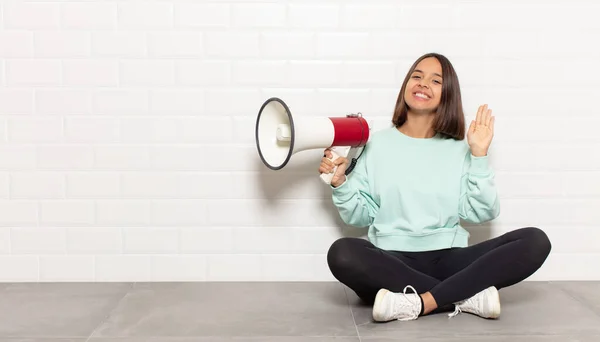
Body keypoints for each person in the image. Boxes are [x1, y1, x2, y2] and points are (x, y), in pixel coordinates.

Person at [319, 52, 551, 322]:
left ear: (448, 94)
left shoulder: (460, 149)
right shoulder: (374, 145)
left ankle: (418, 302)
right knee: (343, 253)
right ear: (406, 85)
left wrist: (478, 155)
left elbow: (482, 212)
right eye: (416, 76)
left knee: (535, 240)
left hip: (451, 260)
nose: (423, 83)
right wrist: (340, 184)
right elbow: (357, 217)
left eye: (435, 81)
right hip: (392, 261)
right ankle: (464, 295)